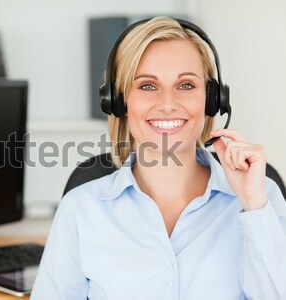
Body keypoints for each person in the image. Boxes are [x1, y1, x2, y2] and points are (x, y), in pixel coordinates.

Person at [31, 16, 286, 300]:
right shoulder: (80, 210)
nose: (167, 104)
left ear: (212, 100)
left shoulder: (262, 200)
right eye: (147, 86)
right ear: (118, 102)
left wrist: (254, 208)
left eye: (186, 85)